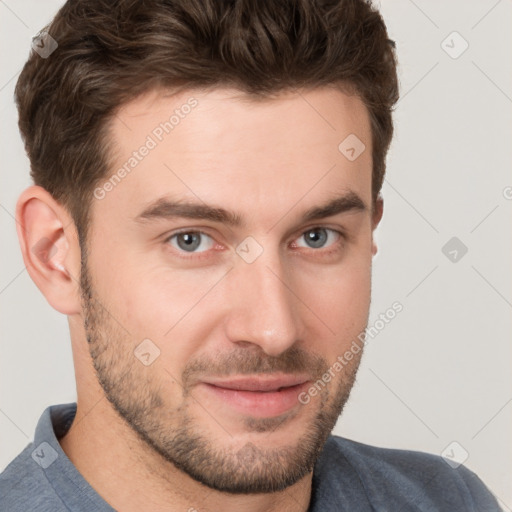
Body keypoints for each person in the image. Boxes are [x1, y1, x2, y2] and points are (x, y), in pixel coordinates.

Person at [0, 0, 501, 510]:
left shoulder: (450, 500)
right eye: (190, 240)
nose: (273, 329)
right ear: (55, 253)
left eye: (317, 236)